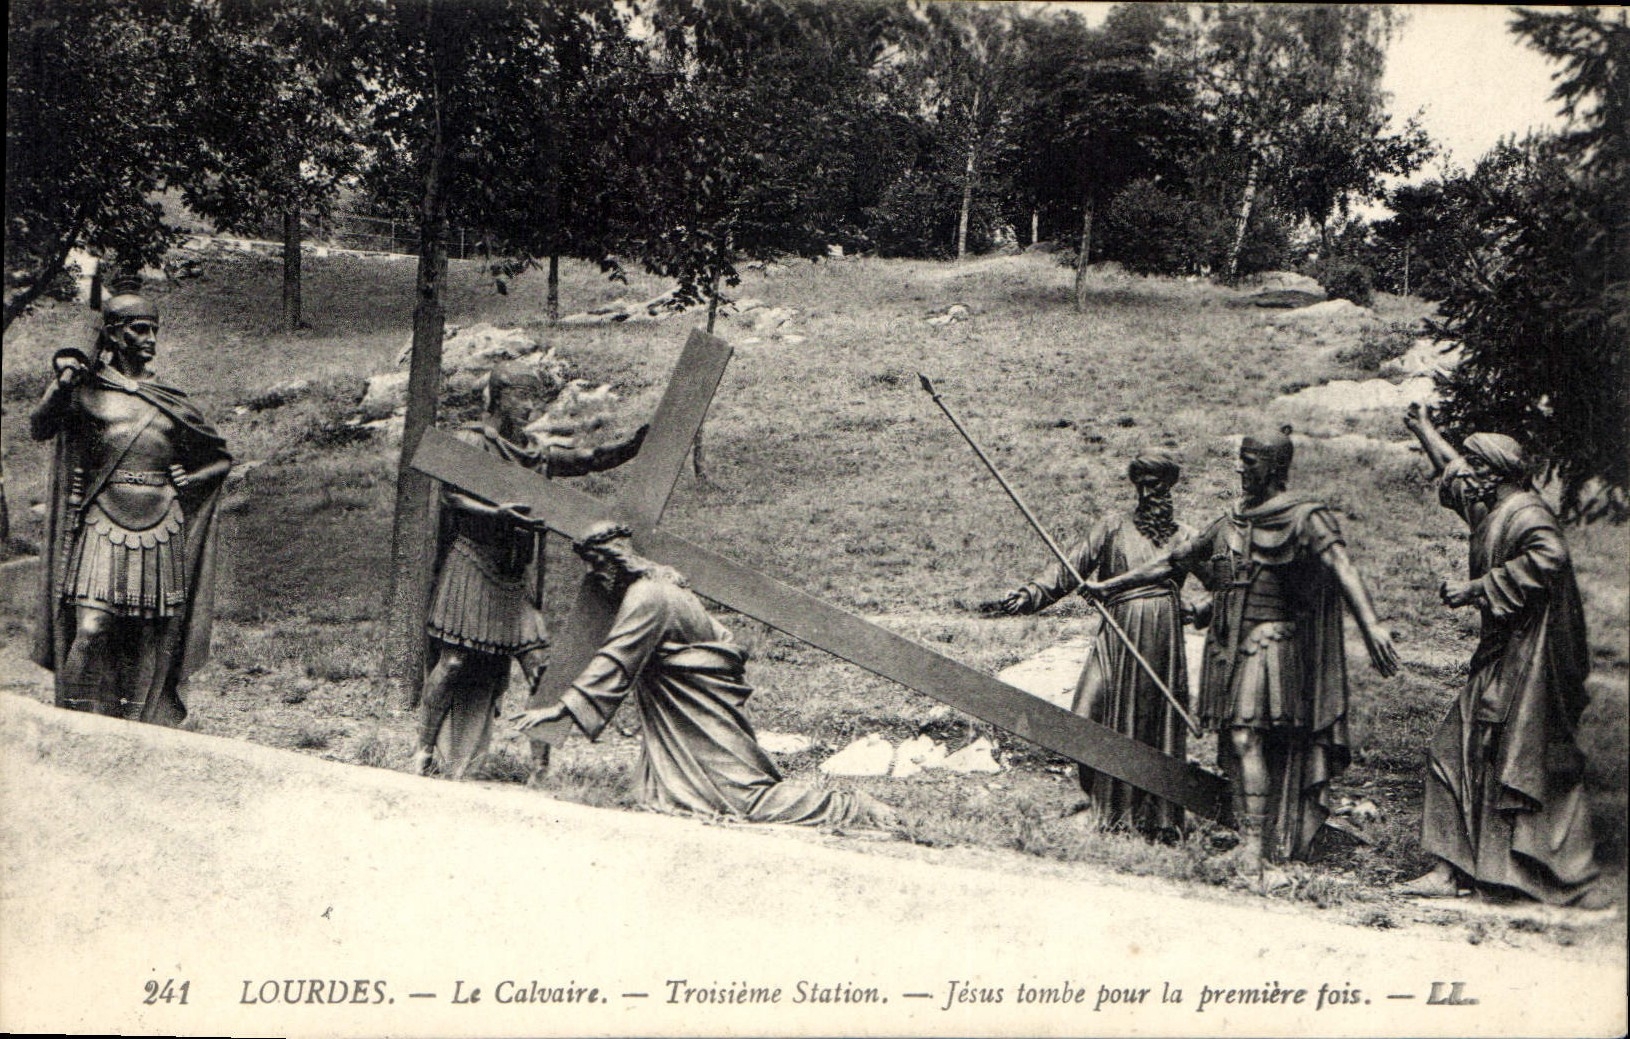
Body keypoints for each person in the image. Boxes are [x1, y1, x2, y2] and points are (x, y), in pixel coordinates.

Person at [1085, 427, 1399, 872]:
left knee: (1246, 737)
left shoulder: (1305, 517)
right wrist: (1111, 585)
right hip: (1230, 646)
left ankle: (1254, 850)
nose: (1239, 468)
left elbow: (1340, 566)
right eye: (1240, 459)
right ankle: (1255, 840)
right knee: (1236, 745)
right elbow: (1174, 561)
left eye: (1248, 461)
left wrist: (1372, 627)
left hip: (1270, 645)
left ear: (1273, 465)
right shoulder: (1231, 519)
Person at [512, 522, 898, 830]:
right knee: (694, 794)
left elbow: (616, 658)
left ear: (615, 559)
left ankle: (849, 806)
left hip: (698, 705)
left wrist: (561, 708)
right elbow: (720, 642)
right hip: (697, 699)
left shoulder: (646, 597)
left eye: (597, 564)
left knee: (745, 798)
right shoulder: (668, 586)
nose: (595, 574)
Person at [1399, 404, 1601, 906]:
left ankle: (1514, 870)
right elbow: (1452, 472)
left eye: (1474, 464)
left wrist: (1475, 589)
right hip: (1502, 653)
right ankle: (1468, 869)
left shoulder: (1528, 515)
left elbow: (1550, 559)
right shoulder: (1492, 509)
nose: (1463, 474)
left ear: (1494, 472)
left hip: (1528, 659)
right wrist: (1424, 430)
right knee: (1472, 752)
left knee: (1468, 750)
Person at [415, 363, 647, 778]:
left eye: (535, 399)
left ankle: (540, 769)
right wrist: (497, 513)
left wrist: (633, 446)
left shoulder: (534, 452)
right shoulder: (473, 441)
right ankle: (423, 753)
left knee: (541, 669)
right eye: (521, 397)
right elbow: (451, 496)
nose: (530, 407)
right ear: (499, 396)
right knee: (453, 663)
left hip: (511, 578)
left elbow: (589, 459)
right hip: (473, 563)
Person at [30, 275, 232, 725]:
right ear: (113, 333)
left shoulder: (169, 401)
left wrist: (188, 480)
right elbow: (40, 427)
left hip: (162, 523)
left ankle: (135, 727)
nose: (150, 338)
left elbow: (220, 459)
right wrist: (61, 382)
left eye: (154, 329)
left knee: (144, 635)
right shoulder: (87, 390)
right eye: (140, 329)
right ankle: (72, 725)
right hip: (103, 519)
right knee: (91, 627)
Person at [990, 449, 1196, 838]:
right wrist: (1031, 594)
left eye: (1155, 485)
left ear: (1169, 486)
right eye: (1141, 485)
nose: (1147, 493)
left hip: (1162, 638)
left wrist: (1199, 609)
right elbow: (1069, 568)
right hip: (1117, 634)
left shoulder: (1186, 536)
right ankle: (1104, 804)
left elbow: (1222, 580)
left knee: (1153, 726)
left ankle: (1155, 821)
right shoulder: (1113, 527)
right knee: (1085, 716)